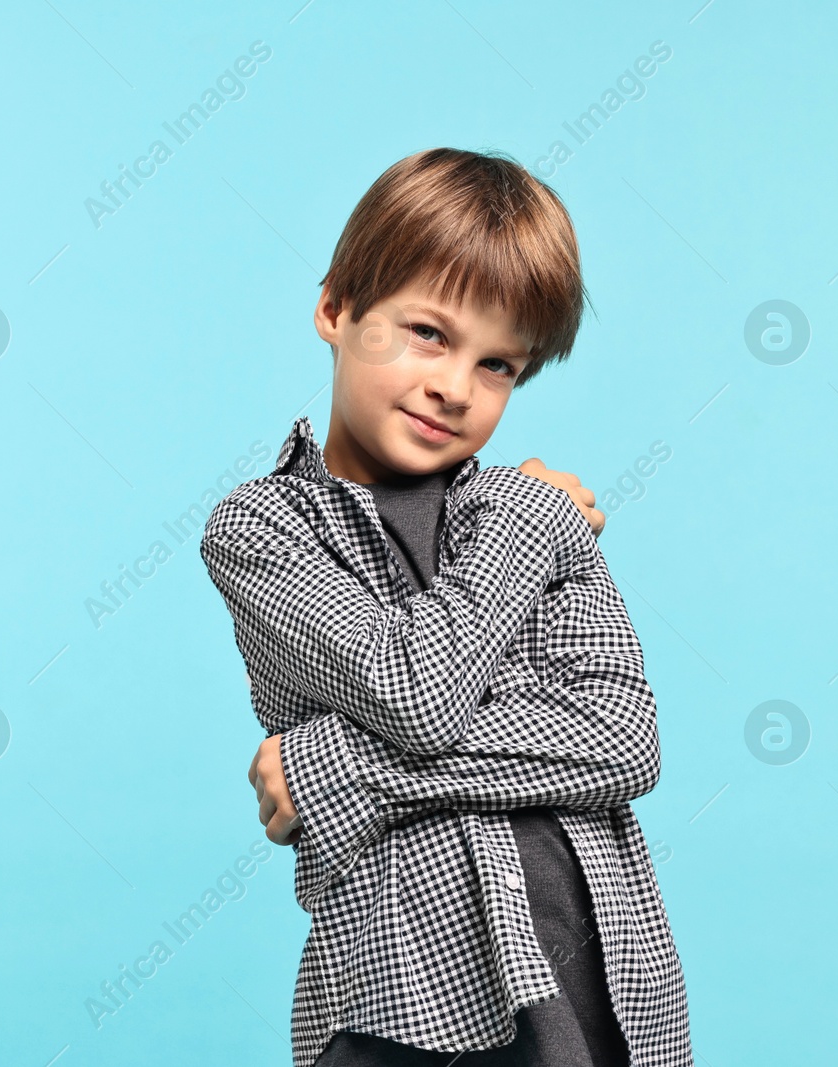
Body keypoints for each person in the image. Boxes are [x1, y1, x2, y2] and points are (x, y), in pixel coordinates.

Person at [198, 148, 694, 1067]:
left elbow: (624, 739)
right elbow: (415, 688)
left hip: (600, 984)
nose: (456, 387)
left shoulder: (527, 514)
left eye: (498, 362)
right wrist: (531, 518)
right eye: (428, 332)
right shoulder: (263, 529)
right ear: (336, 309)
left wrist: (333, 768)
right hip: (400, 997)